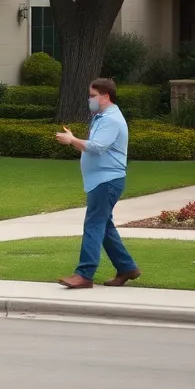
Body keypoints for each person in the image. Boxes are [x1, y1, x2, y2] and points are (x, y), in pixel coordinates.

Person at [54, 77, 141, 289]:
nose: (89, 100)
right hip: (102, 181)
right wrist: (74, 139)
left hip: (106, 181)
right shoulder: (103, 117)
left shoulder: (111, 119)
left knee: (93, 224)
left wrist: (71, 140)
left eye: (93, 96)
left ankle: (84, 274)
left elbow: (97, 147)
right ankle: (127, 268)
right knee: (104, 226)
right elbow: (93, 146)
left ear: (106, 96)